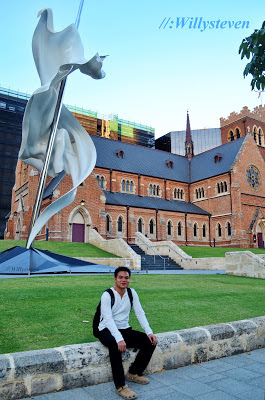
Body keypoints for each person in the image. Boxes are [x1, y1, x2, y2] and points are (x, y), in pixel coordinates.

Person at [97, 266, 158, 400]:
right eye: (120, 277)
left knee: (150, 342)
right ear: (115, 279)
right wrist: (119, 339)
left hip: (124, 329)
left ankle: (133, 373)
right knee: (115, 346)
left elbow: (140, 313)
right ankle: (120, 386)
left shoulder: (131, 293)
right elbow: (108, 319)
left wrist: (149, 332)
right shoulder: (107, 295)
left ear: (129, 279)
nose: (124, 280)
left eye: (126, 277)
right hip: (106, 330)